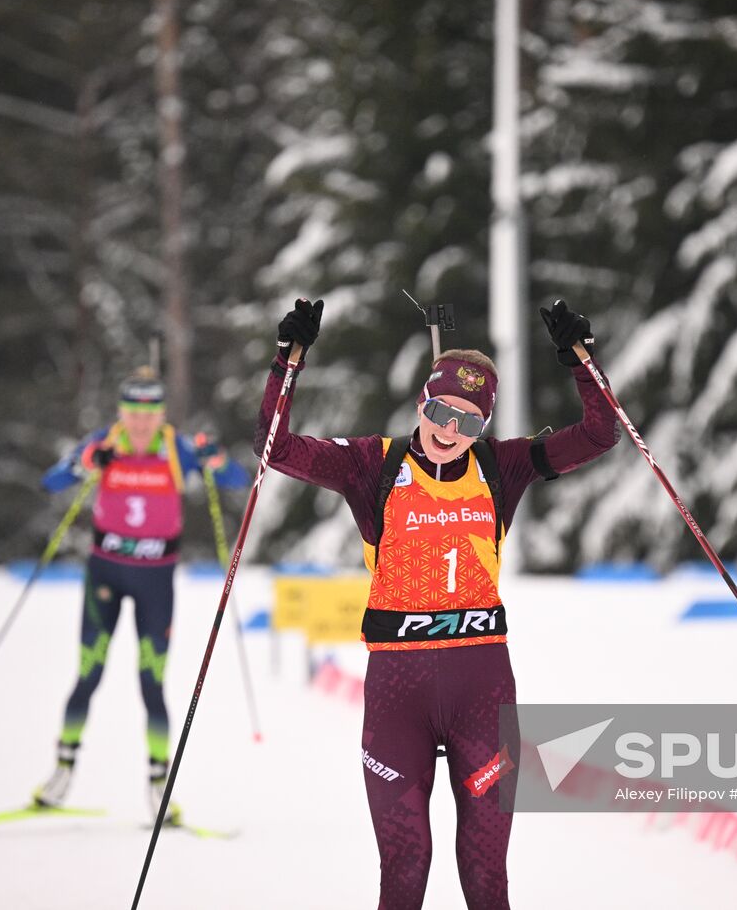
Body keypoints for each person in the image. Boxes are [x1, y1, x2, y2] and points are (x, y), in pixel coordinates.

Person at [256, 298, 620, 909]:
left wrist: (581, 361)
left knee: (484, 873)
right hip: (399, 695)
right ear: (423, 401)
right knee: (405, 864)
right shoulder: (373, 465)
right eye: (442, 411)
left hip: (482, 690)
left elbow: (600, 433)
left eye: (470, 421)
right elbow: (277, 447)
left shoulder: (503, 466)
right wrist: (286, 363)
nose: (451, 432)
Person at [32, 367, 250, 823]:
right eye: (132, 413)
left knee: (151, 684)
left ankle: (157, 787)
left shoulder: (177, 448)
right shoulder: (105, 442)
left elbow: (235, 480)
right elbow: (51, 482)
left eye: (149, 414)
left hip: (156, 579)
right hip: (105, 575)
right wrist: (85, 462)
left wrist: (215, 458)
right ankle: (61, 774)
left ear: (161, 415)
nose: (140, 423)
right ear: (121, 412)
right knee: (88, 675)